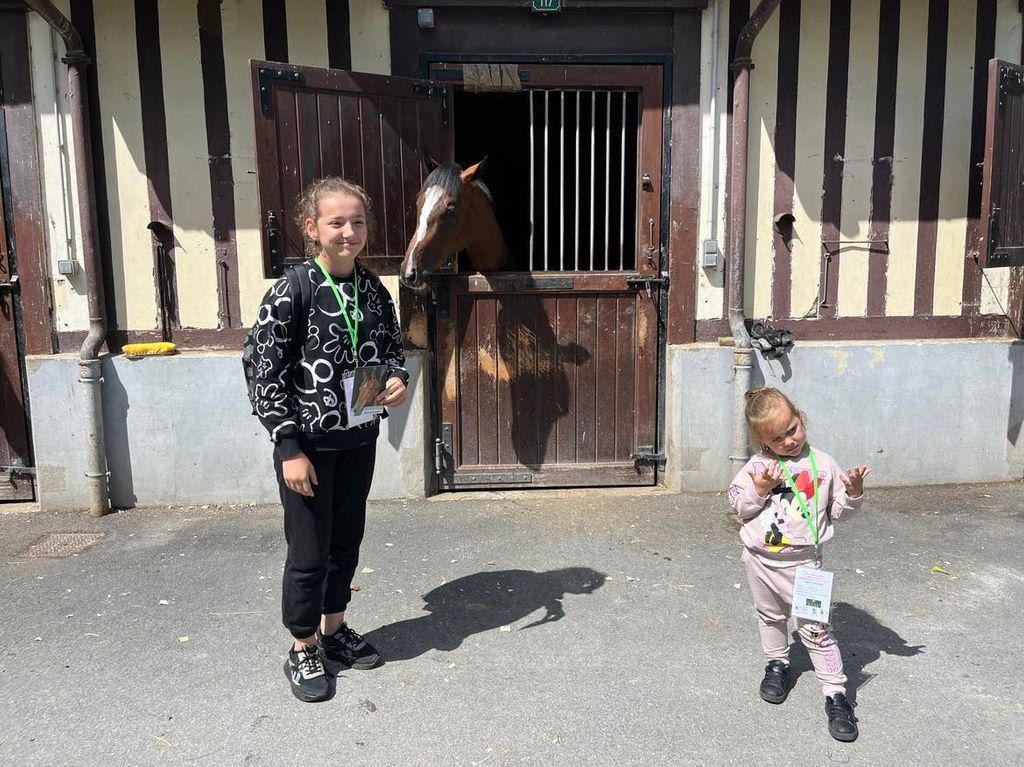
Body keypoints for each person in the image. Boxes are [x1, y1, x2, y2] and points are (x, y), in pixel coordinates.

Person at [249, 177, 408, 702]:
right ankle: (302, 646)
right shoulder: (292, 289)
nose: (349, 232)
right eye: (337, 222)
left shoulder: (374, 291)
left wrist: (395, 380)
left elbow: (390, 350)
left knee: (345, 544)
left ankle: (334, 632)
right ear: (312, 228)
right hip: (308, 449)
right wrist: (287, 446)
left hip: (358, 440)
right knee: (309, 550)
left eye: (357, 221)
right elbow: (261, 369)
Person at [727, 387, 870, 742]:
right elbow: (739, 509)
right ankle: (778, 663)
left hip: (806, 567)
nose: (788, 441)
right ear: (762, 441)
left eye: (791, 429)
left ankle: (836, 693)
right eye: (776, 438)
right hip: (761, 561)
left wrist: (853, 494)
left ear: (800, 418)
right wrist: (758, 490)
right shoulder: (758, 467)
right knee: (770, 616)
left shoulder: (823, 465)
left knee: (816, 631)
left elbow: (838, 513)